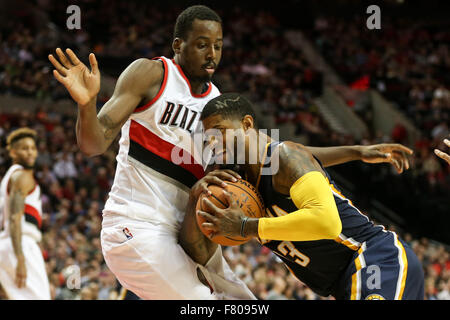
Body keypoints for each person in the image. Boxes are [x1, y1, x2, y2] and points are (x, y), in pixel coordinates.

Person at [49, 5, 255, 300]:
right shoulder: (151, 74)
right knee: (201, 302)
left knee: (246, 304)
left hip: (184, 233)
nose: (212, 54)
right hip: (135, 227)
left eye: (218, 46)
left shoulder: (217, 103)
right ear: (178, 45)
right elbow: (93, 145)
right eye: (201, 45)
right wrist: (87, 104)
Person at [185, 93, 424, 300]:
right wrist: (356, 152)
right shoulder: (239, 178)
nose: (214, 143)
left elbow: (327, 223)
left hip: (374, 258)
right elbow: (304, 154)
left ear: (247, 124)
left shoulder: (285, 158)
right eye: (209, 138)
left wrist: (247, 226)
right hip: (342, 283)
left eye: (221, 132)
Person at [0, 128, 51, 299]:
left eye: (33, 148)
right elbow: (15, 218)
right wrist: (20, 256)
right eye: (24, 148)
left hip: (9, 244)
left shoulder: (9, 177)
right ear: (13, 152)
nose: (30, 152)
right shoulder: (22, 176)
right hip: (19, 243)